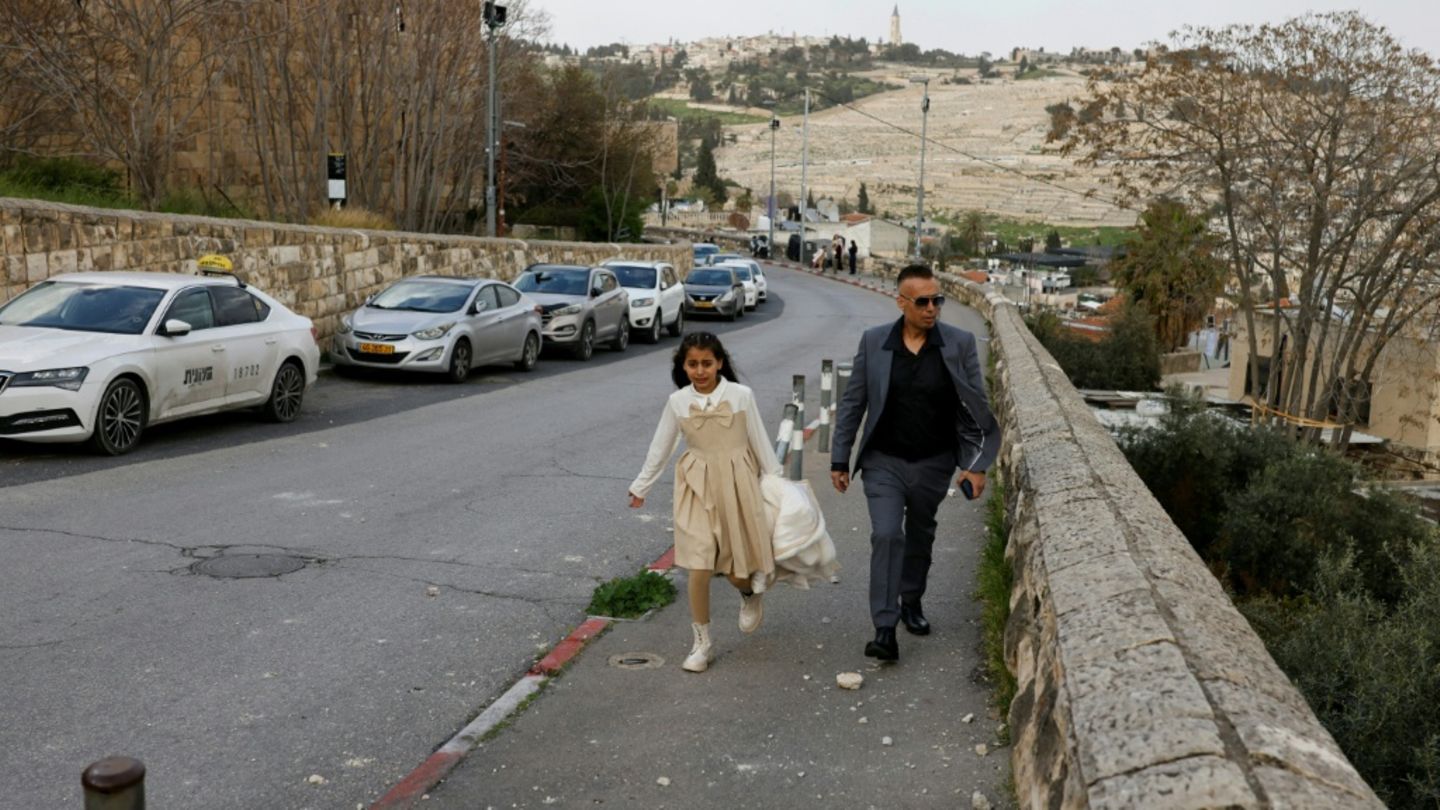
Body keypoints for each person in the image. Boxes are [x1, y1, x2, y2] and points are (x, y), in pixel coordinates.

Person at [829, 264, 1001, 662]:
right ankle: (885, 628)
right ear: (902, 302)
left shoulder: (957, 344)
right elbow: (854, 403)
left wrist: (976, 466)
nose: (931, 308)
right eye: (922, 301)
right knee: (887, 534)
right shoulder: (875, 343)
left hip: (934, 462)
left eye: (937, 300)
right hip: (883, 461)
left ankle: (912, 601)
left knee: (920, 535)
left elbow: (977, 409)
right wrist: (840, 459)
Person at [629, 333, 782, 673]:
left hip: (737, 481)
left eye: (706, 363)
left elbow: (759, 439)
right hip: (696, 484)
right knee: (697, 564)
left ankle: (748, 594)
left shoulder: (742, 396)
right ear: (683, 367)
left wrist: (778, 484)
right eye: (693, 364)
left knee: (734, 569)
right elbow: (662, 447)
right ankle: (702, 644)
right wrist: (642, 486)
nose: (700, 371)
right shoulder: (678, 402)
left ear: (720, 363)